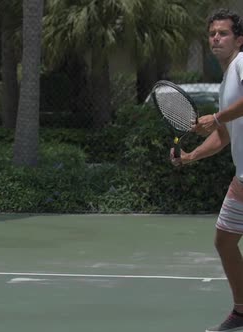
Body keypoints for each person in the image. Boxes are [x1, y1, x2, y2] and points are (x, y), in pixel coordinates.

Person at [176, 8, 243, 332]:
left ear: (239, 40)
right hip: (242, 179)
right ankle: (242, 311)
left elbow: (221, 123)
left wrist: (216, 118)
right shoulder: (227, 79)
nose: (216, 37)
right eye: (212, 33)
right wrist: (191, 157)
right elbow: (224, 135)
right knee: (225, 240)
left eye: (224, 33)